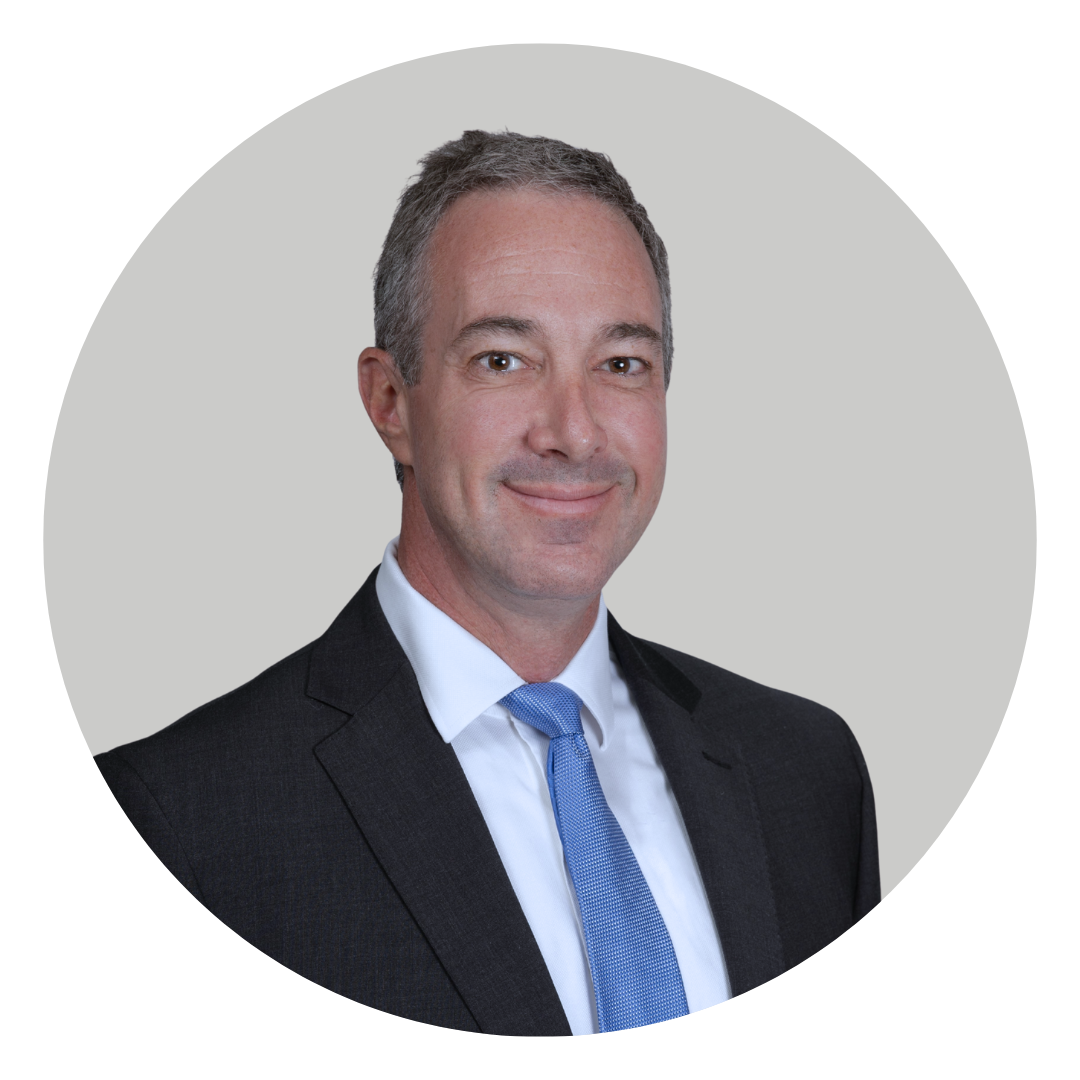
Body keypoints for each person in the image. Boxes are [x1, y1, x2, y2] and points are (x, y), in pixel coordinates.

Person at [96, 130, 879, 1036]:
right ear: (391, 402)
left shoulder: (806, 774)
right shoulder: (178, 824)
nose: (574, 432)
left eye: (621, 364)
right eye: (503, 359)